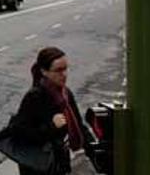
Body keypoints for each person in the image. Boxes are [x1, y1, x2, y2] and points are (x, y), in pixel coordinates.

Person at [10, 47, 93, 175]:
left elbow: (78, 124)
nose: (64, 74)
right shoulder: (35, 97)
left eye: (65, 69)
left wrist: (95, 149)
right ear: (44, 71)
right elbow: (20, 132)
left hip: (59, 162)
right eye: (58, 70)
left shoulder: (65, 94)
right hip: (38, 166)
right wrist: (51, 126)